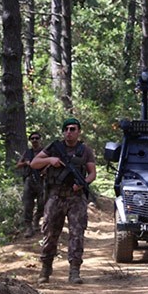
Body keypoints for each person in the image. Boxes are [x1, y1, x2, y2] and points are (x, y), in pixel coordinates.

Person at [31, 118, 96, 284]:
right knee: (50, 233)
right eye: (66, 128)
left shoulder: (85, 150)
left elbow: (92, 173)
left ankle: (74, 271)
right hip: (56, 195)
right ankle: (45, 269)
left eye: (73, 129)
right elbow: (34, 163)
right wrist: (49, 160)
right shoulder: (55, 147)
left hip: (76, 197)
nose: (69, 131)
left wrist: (82, 184)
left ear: (78, 131)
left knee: (77, 234)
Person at [15, 131, 45, 238]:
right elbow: (18, 165)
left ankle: (37, 220)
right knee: (28, 204)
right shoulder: (27, 152)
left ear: (40, 139)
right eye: (32, 138)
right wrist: (26, 163)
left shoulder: (44, 151)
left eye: (37, 138)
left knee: (42, 203)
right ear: (30, 141)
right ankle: (29, 227)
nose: (35, 140)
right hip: (29, 180)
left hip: (42, 181)